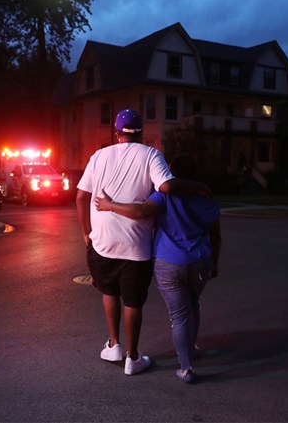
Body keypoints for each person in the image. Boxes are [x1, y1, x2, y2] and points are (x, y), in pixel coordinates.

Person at [76, 109, 209, 376]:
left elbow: (81, 197)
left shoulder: (99, 156)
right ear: (141, 133)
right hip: (136, 246)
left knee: (108, 291)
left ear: (116, 133)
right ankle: (132, 357)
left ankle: (114, 344)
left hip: (102, 241)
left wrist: (86, 232)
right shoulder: (150, 155)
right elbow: (167, 187)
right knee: (133, 302)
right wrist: (198, 185)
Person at [94, 154, 221, 384]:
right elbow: (216, 235)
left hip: (169, 262)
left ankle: (186, 367)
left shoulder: (165, 196)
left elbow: (141, 211)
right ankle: (190, 346)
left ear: (171, 172)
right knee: (193, 304)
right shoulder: (206, 198)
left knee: (179, 315)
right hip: (201, 260)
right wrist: (216, 263)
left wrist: (109, 205)